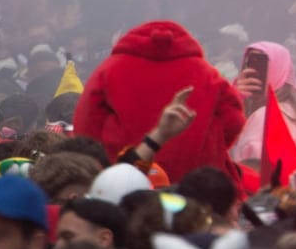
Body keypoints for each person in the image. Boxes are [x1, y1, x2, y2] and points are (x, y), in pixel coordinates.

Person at [73, 21, 245, 180]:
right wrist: (206, 146)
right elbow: (234, 121)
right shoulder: (207, 73)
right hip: (197, 184)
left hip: (123, 180)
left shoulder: (108, 69)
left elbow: (86, 126)